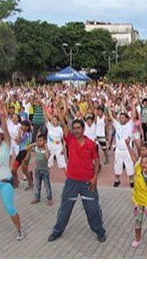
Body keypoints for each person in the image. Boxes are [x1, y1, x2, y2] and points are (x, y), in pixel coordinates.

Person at [48, 100, 106, 243]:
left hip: (88, 182)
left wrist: (95, 179)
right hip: (72, 182)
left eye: (79, 128)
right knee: (65, 208)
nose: (76, 130)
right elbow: (63, 123)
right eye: (74, 128)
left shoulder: (90, 144)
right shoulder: (70, 140)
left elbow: (97, 161)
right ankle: (57, 231)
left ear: (83, 129)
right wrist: (59, 110)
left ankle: (100, 231)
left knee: (92, 210)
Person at [107, 109, 135, 188]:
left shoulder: (130, 125)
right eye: (120, 117)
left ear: (126, 119)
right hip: (118, 150)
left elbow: (133, 115)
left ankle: (131, 181)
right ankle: (117, 180)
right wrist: (108, 106)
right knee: (117, 166)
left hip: (127, 151)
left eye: (123, 117)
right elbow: (111, 117)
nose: (121, 119)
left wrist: (133, 105)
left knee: (130, 166)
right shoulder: (117, 125)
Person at [30, 134, 53, 206]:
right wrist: (33, 144)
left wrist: (45, 146)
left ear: (45, 141)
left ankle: (49, 198)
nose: (39, 142)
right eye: (38, 141)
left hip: (44, 170)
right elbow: (27, 148)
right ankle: (37, 197)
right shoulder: (36, 148)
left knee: (47, 185)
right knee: (37, 185)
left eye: (40, 141)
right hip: (37, 170)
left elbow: (47, 157)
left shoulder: (47, 150)